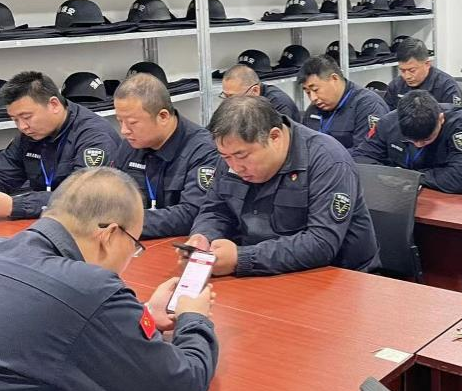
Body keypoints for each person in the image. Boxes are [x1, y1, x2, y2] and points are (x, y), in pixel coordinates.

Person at [0, 167, 218, 391]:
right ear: (110, 235)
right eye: (134, 245)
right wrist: (193, 317)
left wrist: (145, 314)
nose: (131, 256)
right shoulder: (89, 289)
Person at [186, 96, 379, 276]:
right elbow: (216, 210)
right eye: (226, 157)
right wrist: (204, 236)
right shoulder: (232, 154)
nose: (235, 166)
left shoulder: (328, 160)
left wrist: (242, 258)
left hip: (334, 276)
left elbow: (321, 243)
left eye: (242, 156)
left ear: (275, 137)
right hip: (261, 271)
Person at [0, 70, 120, 220]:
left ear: (54, 104)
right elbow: (0, 174)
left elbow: (84, 197)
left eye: (26, 117)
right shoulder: (30, 134)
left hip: (89, 224)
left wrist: (14, 206)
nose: (22, 127)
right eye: (15, 119)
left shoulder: (94, 137)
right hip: (44, 220)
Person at [112, 73, 222, 238]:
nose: (124, 131)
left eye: (132, 123)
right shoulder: (130, 145)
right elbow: (112, 199)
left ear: (163, 116)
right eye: (120, 121)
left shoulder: (203, 150)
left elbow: (192, 214)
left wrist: (124, 222)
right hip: (135, 241)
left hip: (179, 244)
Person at [351, 89, 462, 193]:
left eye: (426, 139)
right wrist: (388, 174)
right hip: (398, 196)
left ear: (441, 119)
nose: (418, 145)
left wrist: (410, 176)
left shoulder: (459, 125)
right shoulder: (388, 122)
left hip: (443, 198)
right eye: (411, 140)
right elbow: (361, 158)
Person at [299, 55, 388, 149]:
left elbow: (366, 152)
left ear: (334, 79)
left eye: (315, 90)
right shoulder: (314, 108)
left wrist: (327, 157)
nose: (313, 98)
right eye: (308, 92)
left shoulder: (368, 106)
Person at [383, 38, 462, 109]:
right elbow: (387, 116)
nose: (407, 76)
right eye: (402, 71)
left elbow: (457, 117)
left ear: (427, 64)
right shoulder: (396, 86)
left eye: (412, 70)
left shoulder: (448, 87)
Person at [221, 63, 300, 121]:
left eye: (232, 97)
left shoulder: (278, 104)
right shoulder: (232, 104)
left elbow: (278, 137)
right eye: (225, 96)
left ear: (255, 90)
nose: (227, 102)